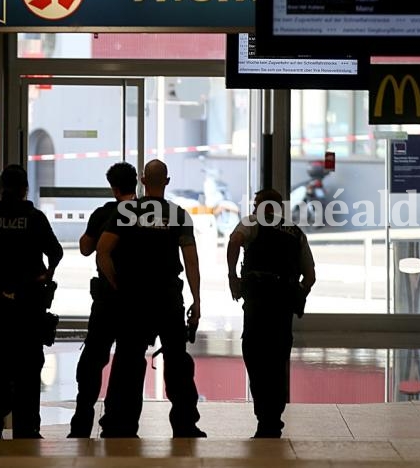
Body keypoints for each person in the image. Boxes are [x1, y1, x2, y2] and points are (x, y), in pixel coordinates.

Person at [95, 159, 205, 438]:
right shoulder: (179, 215)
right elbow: (191, 262)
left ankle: (120, 424)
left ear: (143, 181)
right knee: (178, 363)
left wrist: (116, 284)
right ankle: (184, 424)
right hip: (168, 297)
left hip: (134, 298)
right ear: (167, 181)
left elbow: (102, 251)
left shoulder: (127, 211)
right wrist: (197, 300)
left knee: (127, 362)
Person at [0, 164, 63, 439]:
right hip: (28, 306)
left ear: (0, 188)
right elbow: (56, 251)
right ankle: (27, 429)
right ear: (25, 189)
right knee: (28, 371)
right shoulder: (34, 218)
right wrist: (45, 277)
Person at [227, 188, 316, 438]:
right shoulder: (296, 233)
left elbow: (234, 241)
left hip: (258, 300)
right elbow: (310, 276)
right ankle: (273, 418)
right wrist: (298, 294)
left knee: (254, 354)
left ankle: (264, 415)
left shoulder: (253, 223)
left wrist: (232, 276)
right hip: (283, 302)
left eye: (255, 203)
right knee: (278, 359)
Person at [67, 162, 137, 438]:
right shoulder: (145, 214)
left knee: (93, 360)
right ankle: (118, 421)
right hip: (136, 301)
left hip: (108, 299)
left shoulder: (104, 213)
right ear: (136, 183)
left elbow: (86, 248)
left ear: (114, 187)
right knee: (128, 361)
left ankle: (83, 420)